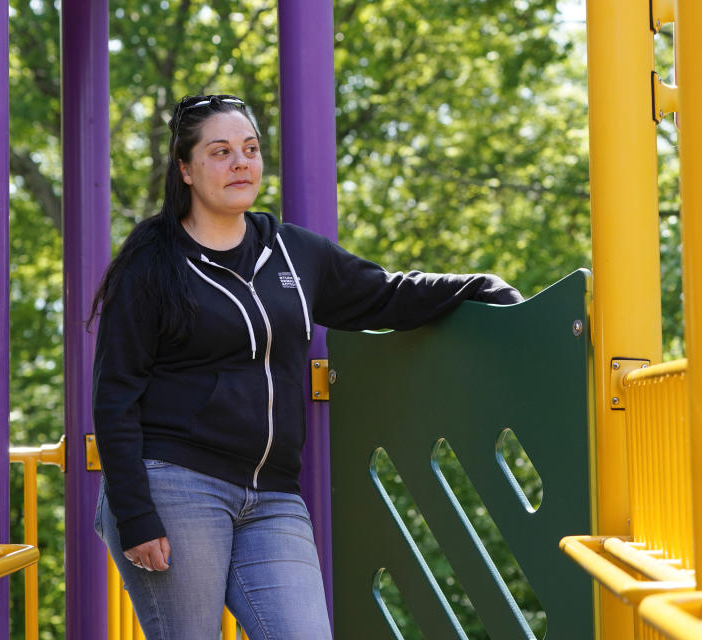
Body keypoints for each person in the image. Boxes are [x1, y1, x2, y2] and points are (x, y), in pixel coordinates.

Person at [90, 94, 522, 639]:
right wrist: (134, 513)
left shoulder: (292, 252)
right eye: (220, 152)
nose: (241, 162)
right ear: (185, 168)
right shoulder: (152, 265)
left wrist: (477, 286)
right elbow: (115, 395)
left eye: (249, 149)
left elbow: (385, 294)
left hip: (273, 497)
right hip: (177, 486)